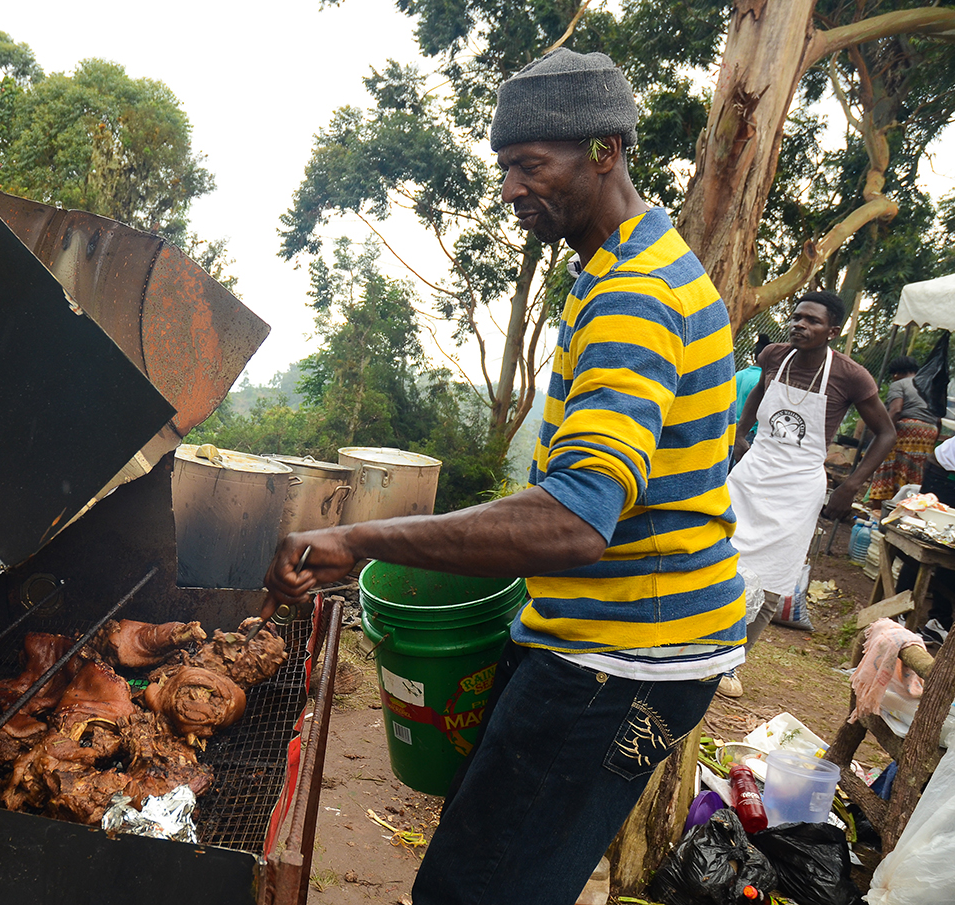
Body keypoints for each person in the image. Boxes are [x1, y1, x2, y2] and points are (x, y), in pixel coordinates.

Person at [263, 48, 744, 905]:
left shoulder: (636, 291)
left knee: (475, 891)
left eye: (530, 165)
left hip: (622, 661)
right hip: (606, 637)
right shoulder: (621, 263)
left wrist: (357, 535)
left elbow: (573, 521)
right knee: (494, 858)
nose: (511, 188)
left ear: (605, 150)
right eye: (505, 168)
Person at [726, 291, 895, 694]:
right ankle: (696, 643)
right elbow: (757, 394)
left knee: (771, 578)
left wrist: (852, 485)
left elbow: (886, 433)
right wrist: (740, 431)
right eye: (797, 317)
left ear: (832, 331)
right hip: (753, 474)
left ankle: (732, 663)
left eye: (812, 321)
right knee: (720, 555)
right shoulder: (774, 357)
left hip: (799, 486)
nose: (800, 324)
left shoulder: (852, 376)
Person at [868, 355, 939, 505]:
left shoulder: (900, 384)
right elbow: (938, 417)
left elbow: (896, 410)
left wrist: (882, 433)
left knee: (890, 463)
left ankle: (882, 504)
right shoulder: (930, 385)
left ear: (896, 373)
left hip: (907, 428)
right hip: (930, 431)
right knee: (915, 469)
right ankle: (908, 504)